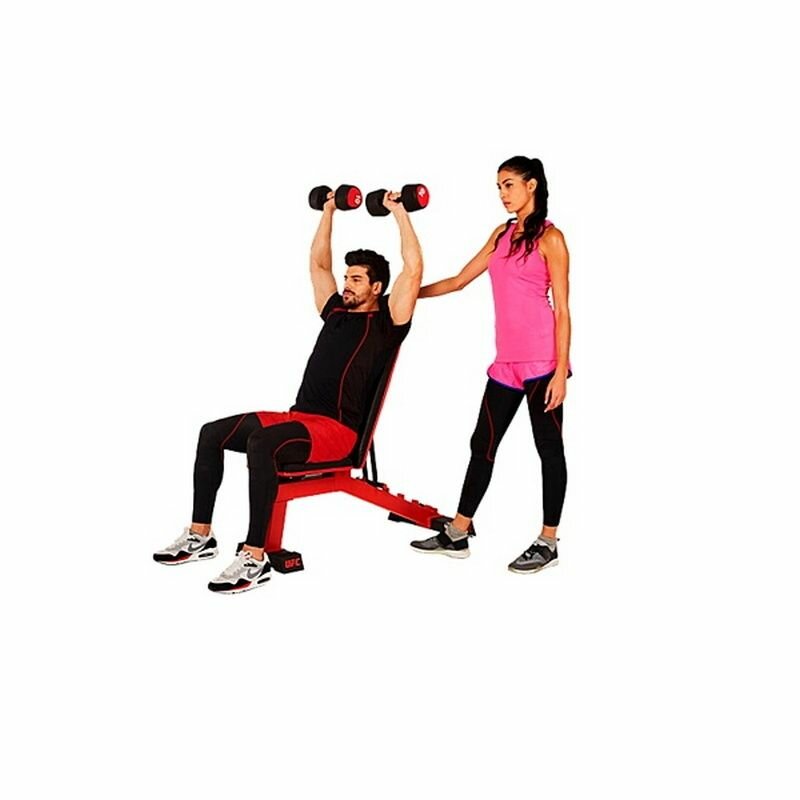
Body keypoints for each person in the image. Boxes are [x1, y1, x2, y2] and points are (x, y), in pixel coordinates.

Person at [154, 191, 423, 593]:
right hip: (300, 418)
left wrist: (399, 210)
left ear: (377, 287)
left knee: (263, 444)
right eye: (346, 278)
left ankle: (255, 556)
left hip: (338, 432)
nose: (346, 285)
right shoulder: (335, 313)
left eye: (356, 279)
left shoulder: (388, 323)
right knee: (211, 433)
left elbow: (413, 269)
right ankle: (200, 535)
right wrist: (329, 209)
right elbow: (318, 264)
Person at [410, 156, 572, 573]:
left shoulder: (552, 238)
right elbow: (459, 280)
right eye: (499, 187)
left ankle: (548, 541)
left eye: (509, 184)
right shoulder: (501, 234)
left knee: (548, 449)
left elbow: (563, 309)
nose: (502, 194)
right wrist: (408, 296)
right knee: (482, 443)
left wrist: (561, 372)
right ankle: (458, 532)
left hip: (542, 361)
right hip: (506, 363)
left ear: (531, 185)